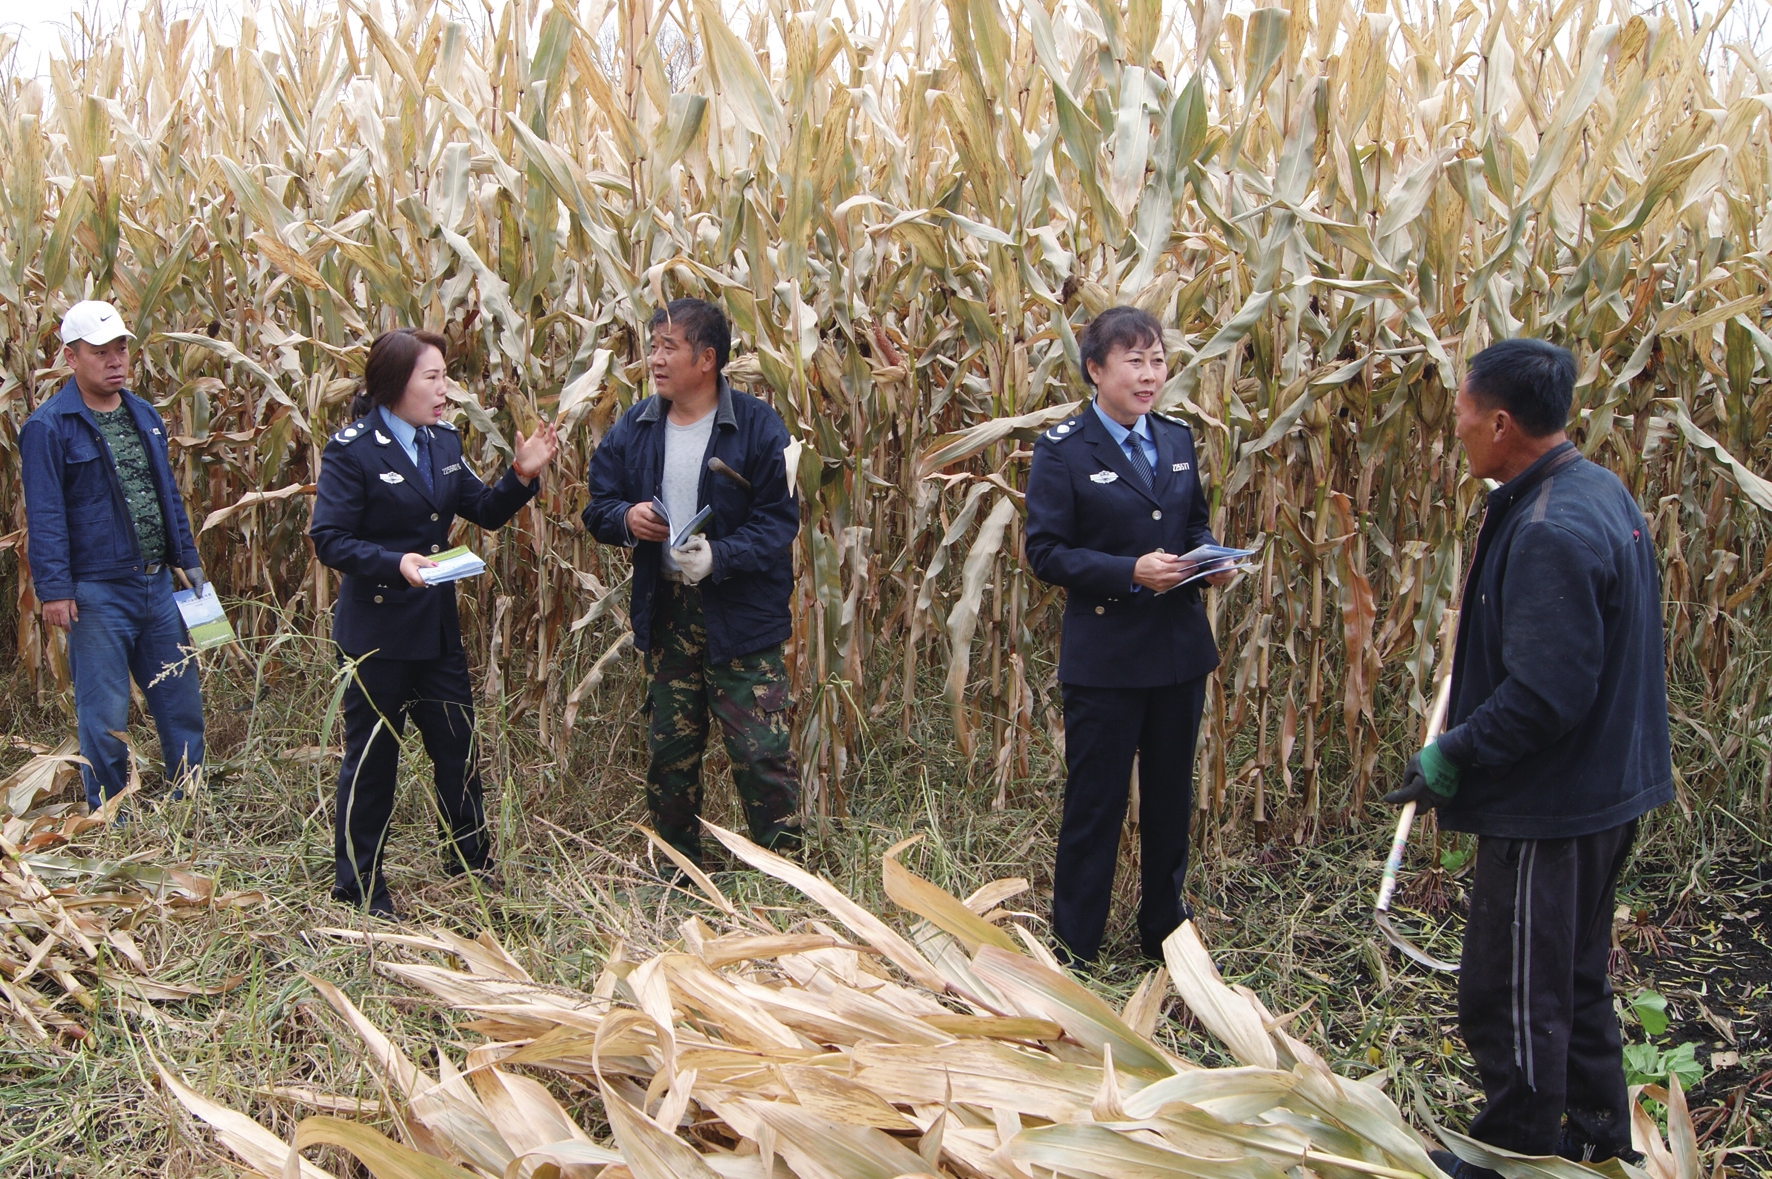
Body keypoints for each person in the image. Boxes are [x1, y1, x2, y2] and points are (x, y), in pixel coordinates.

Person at [1384, 338, 1669, 1176]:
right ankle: (1597, 1139)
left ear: (1503, 423)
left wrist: (1452, 754)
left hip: (1554, 804)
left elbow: (1546, 695)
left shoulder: (1548, 528)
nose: (1458, 429)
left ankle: (1516, 1154)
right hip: (1605, 788)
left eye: (1465, 413)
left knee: (1511, 990)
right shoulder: (1595, 488)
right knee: (1573, 975)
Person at [309, 328, 558, 918]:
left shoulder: (442, 441)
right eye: (433, 377)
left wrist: (521, 476)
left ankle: (469, 863)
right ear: (396, 383)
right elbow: (329, 539)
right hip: (377, 635)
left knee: (457, 749)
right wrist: (394, 563)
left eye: (445, 376)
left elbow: (484, 510)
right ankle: (360, 888)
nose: (445, 389)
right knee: (373, 762)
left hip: (436, 630)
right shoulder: (353, 450)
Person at [1024, 306, 1234, 966]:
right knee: (1096, 805)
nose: (1150, 375)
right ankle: (1075, 949)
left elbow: (1192, 523)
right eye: (1134, 361)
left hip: (1178, 654)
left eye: (1158, 360)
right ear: (1095, 369)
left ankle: (1166, 936)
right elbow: (1046, 552)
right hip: (1107, 659)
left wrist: (1211, 559)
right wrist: (1129, 571)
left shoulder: (1175, 439)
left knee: (1171, 801)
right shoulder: (1063, 449)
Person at [583, 298, 802, 868]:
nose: (655, 359)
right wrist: (627, 518)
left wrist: (720, 556)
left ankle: (785, 876)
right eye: (652, 346)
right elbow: (597, 505)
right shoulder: (637, 425)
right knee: (670, 751)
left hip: (741, 614)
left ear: (707, 359)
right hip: (668, 612)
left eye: (668, 348)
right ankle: (677, 869)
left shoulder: (757, 426)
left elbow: (779, 521)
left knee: (760, 752)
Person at [20, 300, 206, 811]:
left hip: (158, 585)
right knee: (103, 711)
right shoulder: (49, 426)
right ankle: (109, 810)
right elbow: (45, 512)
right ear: (71, 357)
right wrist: (54, 590)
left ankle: (189, 798)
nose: (115, 360)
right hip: (96, 592)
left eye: (120, 348)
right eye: (100, 352)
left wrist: (187, 557)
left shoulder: (143, 413)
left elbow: (165, 495)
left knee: (180, 698)